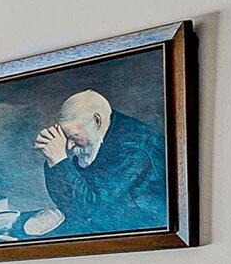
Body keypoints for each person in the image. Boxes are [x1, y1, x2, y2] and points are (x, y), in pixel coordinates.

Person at [21, 88, 166, 238]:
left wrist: (58, 160)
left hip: (143, 230)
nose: (69, 146)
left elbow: (88, 207)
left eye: (73, 136)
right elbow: (72, 202)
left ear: (97, 121)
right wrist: (53, 161)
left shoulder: (131, 147)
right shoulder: (95, 136)